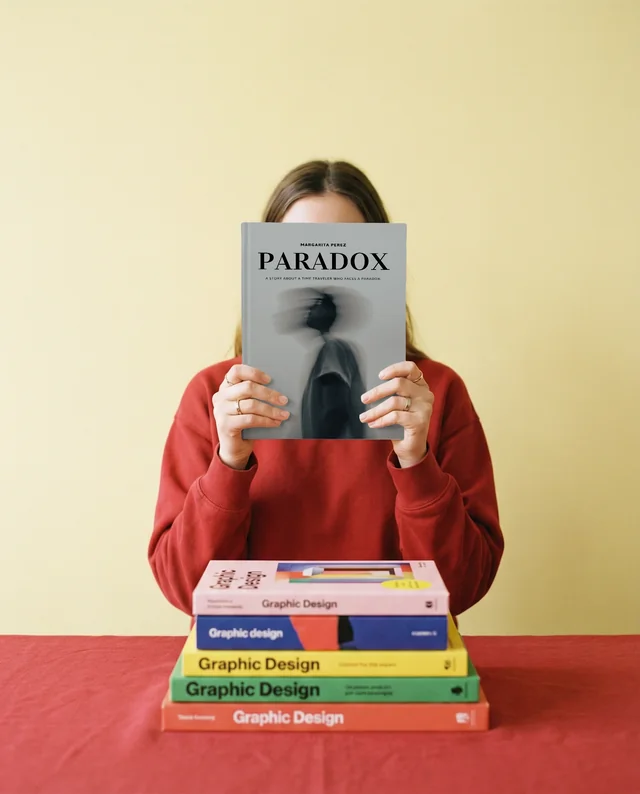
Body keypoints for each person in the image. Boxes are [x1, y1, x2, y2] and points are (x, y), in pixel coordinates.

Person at [148, 159, 504, 619]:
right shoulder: (214, 395)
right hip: (257, 658)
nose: (320, 273)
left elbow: (462, 585)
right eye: (293, 253)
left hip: (395, 657)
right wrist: (229, 464)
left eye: (348, 254)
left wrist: (418, 464)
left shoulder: (435, 393)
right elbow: (185, 587)